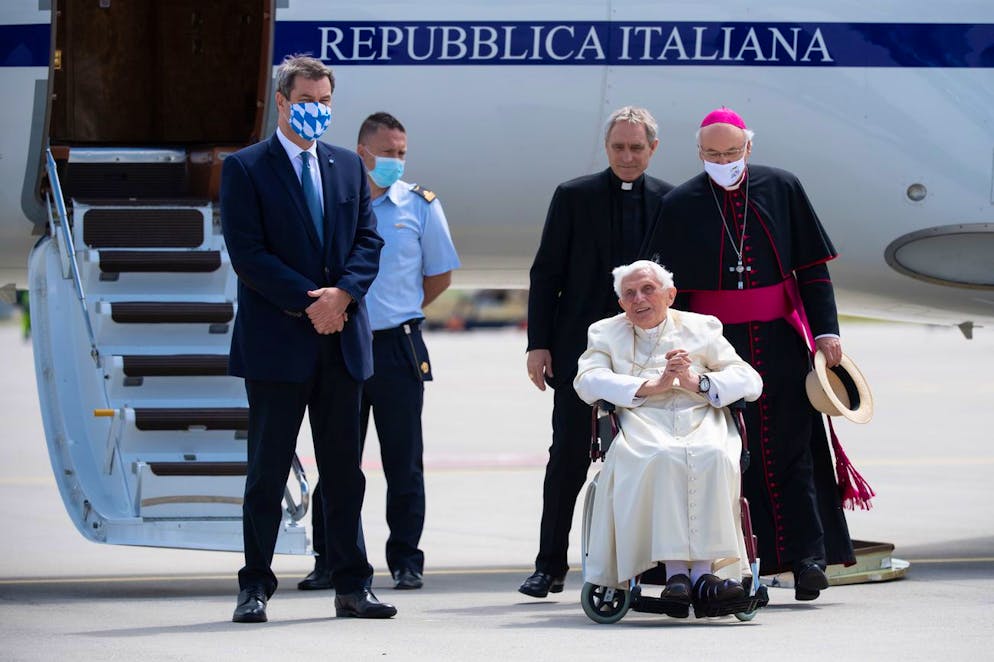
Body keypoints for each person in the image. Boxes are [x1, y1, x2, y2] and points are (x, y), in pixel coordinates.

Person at [642, 107, 861, 601]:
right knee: (728, 457)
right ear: (700, 153)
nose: (724, 161)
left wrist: (827, 332)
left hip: (781, 344)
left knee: (795, 449)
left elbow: (813, 271)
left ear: (749, 148)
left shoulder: (782, 187)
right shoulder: (680, 203)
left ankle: (808, 558)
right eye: (713, 154)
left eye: (732, 152)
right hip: (715, 351)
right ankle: (737, 566)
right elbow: (667, 290)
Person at [221, 55, 396, 622]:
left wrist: (341, 297)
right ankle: (254, 586)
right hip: (278, 344)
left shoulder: (347, 166)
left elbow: (367, 242)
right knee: (266, 471)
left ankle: (352, 584)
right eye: (306, 101)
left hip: (342, 338)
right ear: (281, 100)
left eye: (325, 102)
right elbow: (248, 253)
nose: (316, 111)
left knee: (345, 471)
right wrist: (310, 302)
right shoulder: (246, 168)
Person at [299, 112, 460, 593]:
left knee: (403, 461)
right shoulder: (334, 201)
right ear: (362, 151)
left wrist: (399, 310)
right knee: (337, 458)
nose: (395, 160)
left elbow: (439, 276)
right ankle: (330, 558)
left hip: (397, 346)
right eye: (388, 152)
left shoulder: (420, 206)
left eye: (401, 153)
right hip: (343, 342)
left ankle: (406, 560)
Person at [520, 107, 674, 598]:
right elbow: (546, 273)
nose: (627, 156)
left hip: (647, 356)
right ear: (606, 149)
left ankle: (647, 565)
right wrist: (538, 343)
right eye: (618, 147)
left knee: (648, 457)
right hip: (580, 350)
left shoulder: (672, 201)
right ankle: (549, 567)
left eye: (636, 147)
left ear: (652, 149)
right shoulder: (572, 197)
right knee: (566, 457)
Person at [575, 261, 762, 615]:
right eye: (629, 294)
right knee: (661, 455)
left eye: (648, 290)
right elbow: (586, 381)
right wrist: (651, 386)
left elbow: (750, 379)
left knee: (712, 454)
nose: (639, 299)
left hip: (701, 417)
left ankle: (704, 575)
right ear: (621, 303)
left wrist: (699, 382)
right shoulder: (605, 333)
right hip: (643, 420)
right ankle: (677, 574)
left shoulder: (702, 327)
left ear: (670, 295)